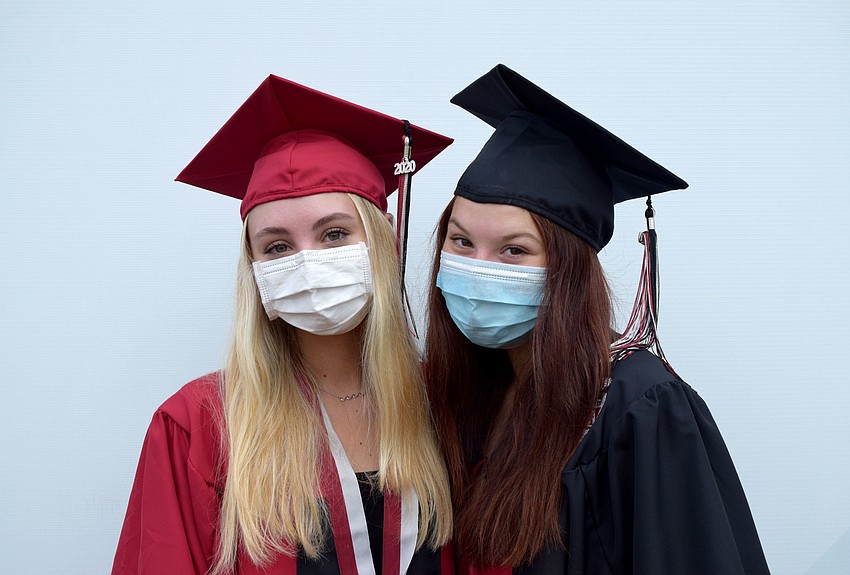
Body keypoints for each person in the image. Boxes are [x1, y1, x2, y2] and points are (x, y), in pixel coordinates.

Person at [424, 64, 770, 574]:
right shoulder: (475, 385)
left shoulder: (640, 406)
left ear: (566, 271)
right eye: (461, 242)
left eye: (514, 251)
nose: (478, 270)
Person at [112, 74, 455, 575]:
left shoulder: (447, 404)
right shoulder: (200, 426)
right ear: (254, 270)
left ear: (385, 241)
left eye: (334, 233)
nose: (307, 263)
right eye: (276, 247)